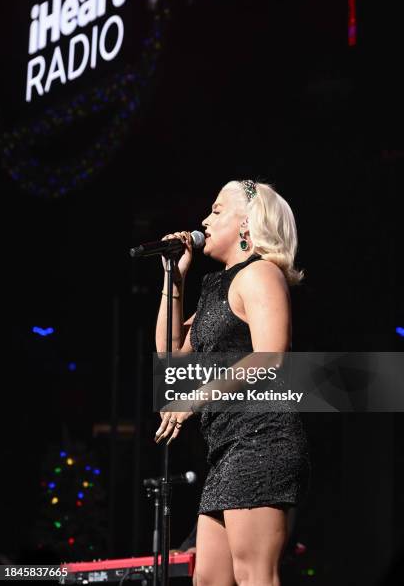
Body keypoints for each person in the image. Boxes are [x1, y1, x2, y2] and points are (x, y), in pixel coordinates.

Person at [154, 179, 311, 586]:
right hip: (227, 447)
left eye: (217, 210)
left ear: (247, 224)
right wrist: (174, 278)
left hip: (262, 441)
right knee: (209, 579)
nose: (204, 221)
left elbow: (271, 356)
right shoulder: (214, 288)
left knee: (254, 575)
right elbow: (171, 356)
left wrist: (195, 401)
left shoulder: (260, 274)